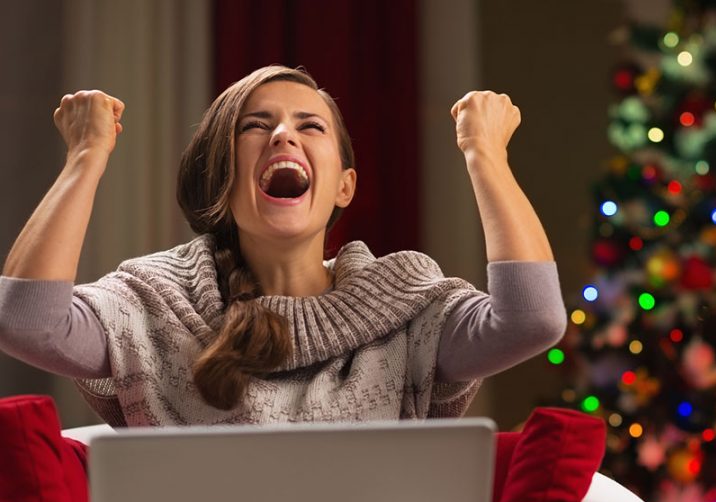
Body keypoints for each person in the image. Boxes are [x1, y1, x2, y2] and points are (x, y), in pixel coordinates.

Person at [0, 65, 566, 427]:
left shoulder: (409, 305)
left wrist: (483, 154)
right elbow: (27, 322)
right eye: (256, 125)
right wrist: (85, 157)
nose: (282, 134)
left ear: (345, 184)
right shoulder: (154, 303)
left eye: (310, 126)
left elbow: (532, 320)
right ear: (225, 173)